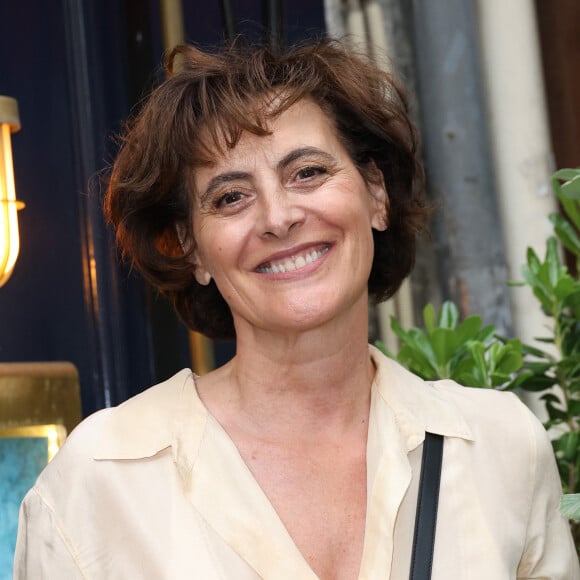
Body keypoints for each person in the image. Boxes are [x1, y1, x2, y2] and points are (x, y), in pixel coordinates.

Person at [14, 39, 579, 579]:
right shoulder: (101, 481)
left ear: (375, 194)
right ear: (192, 249)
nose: (278, 217)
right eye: (230, 197)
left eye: (307, 172)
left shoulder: (499, 449)